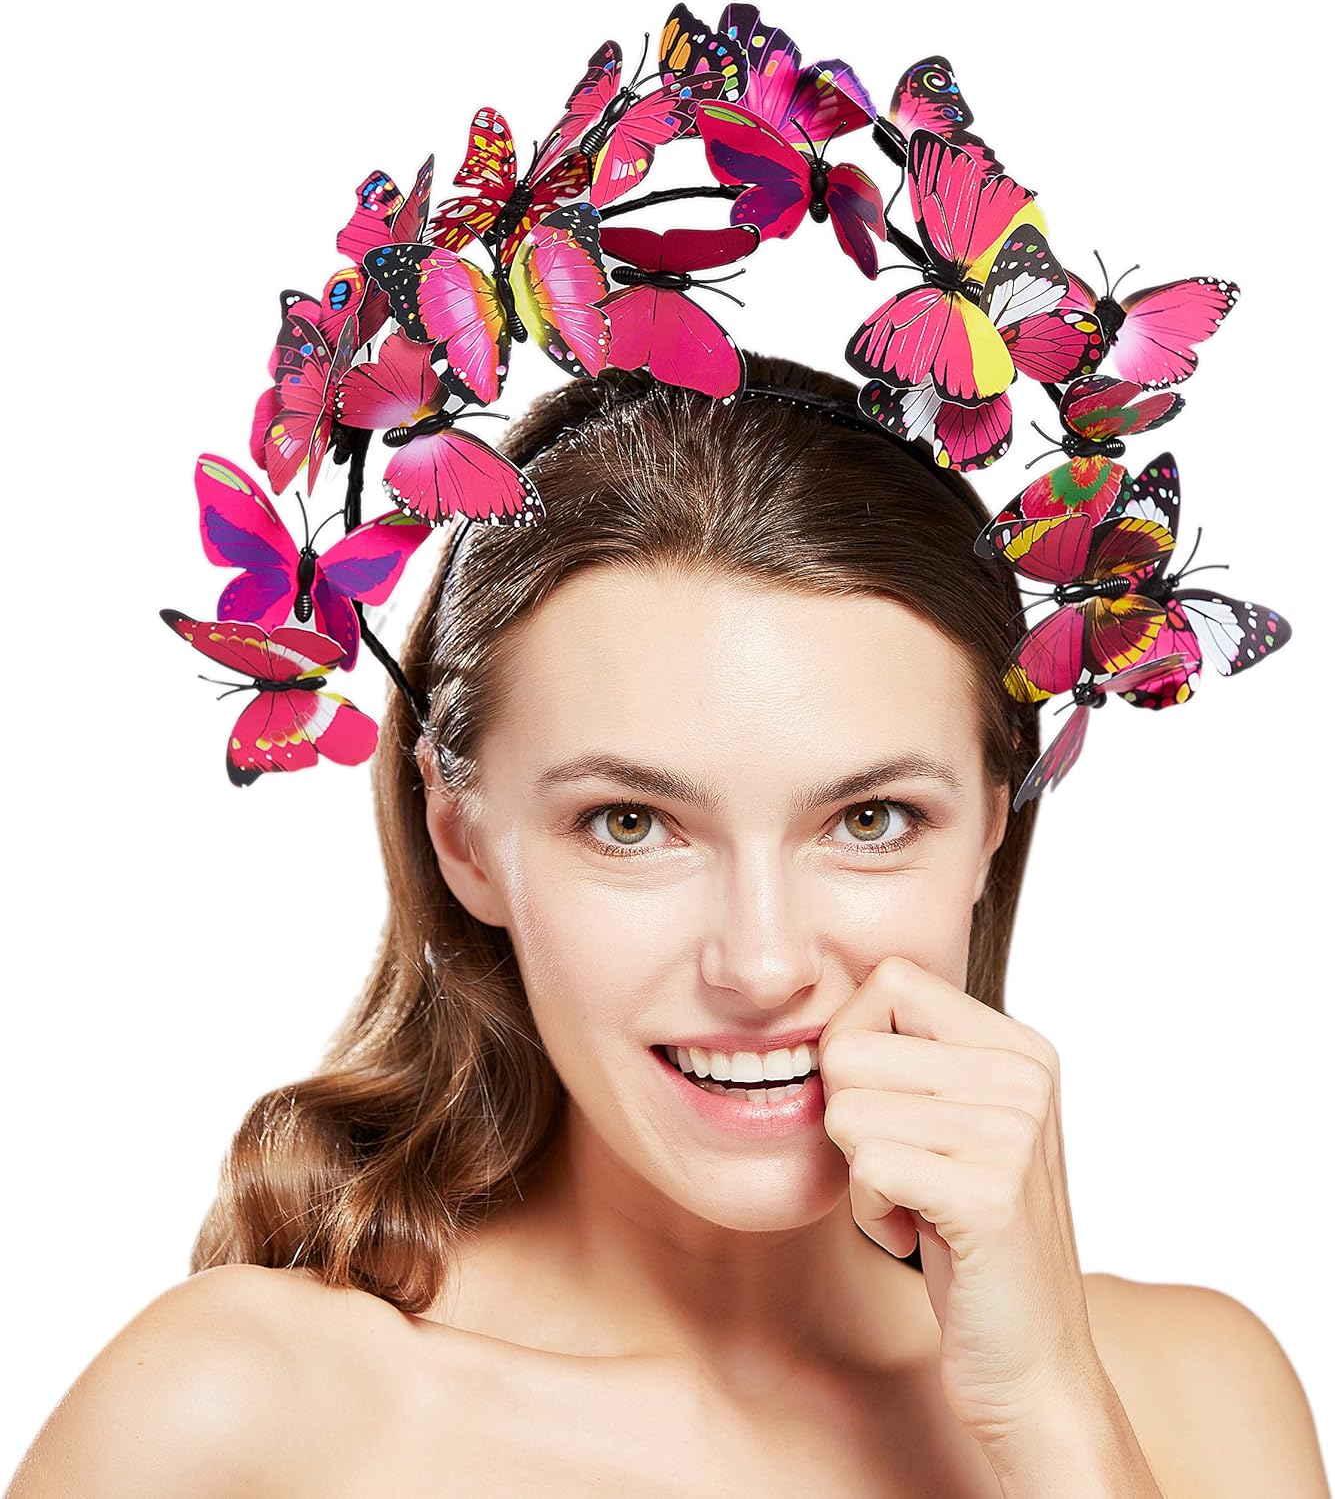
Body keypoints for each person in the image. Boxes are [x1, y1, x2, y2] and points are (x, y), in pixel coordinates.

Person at [7, 356, 1329, 1495]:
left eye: (869, 819)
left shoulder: (1189, 1397)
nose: (762, 964)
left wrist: (1048, 1413)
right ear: (461, 835)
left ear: (993, 819)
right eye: (631, 824)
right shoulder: (241, 1420)